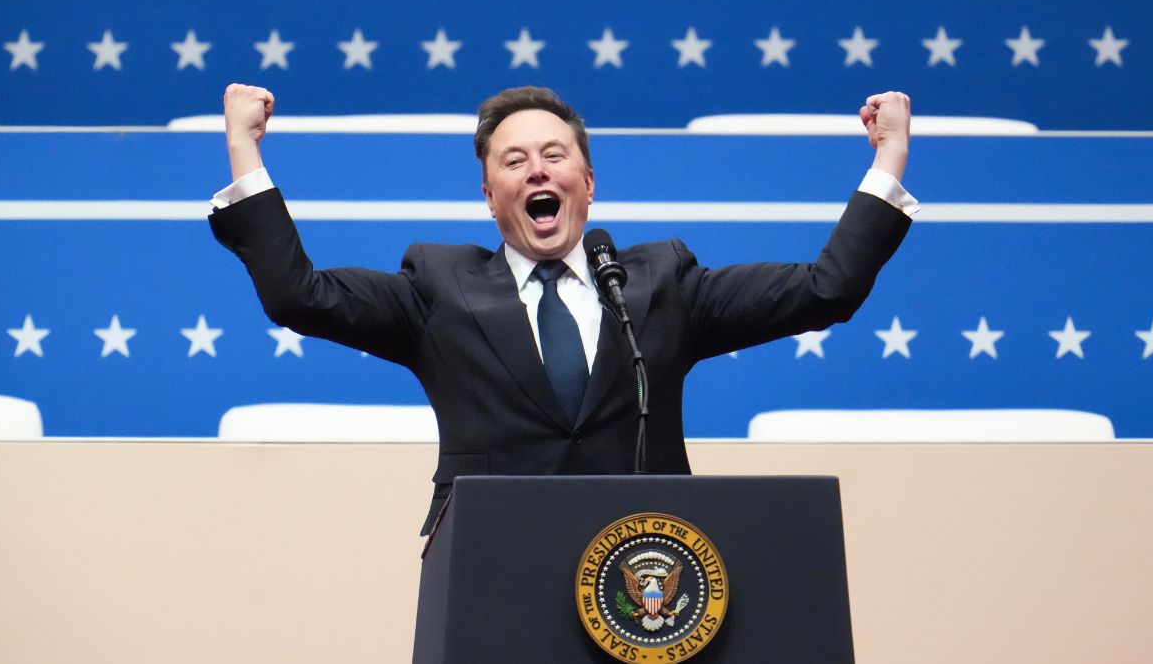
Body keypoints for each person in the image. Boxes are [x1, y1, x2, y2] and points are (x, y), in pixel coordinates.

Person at [209, 85, 917, 534]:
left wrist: (888, 158)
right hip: (492, 566)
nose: (537, 170)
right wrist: (244, 148)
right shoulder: (437, 286)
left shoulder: (661, 280)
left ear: (587, 182)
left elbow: (827, 289)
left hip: (649, 568)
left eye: (554, 155)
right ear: (489, 195)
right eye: (514, 162)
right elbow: (298, 294)